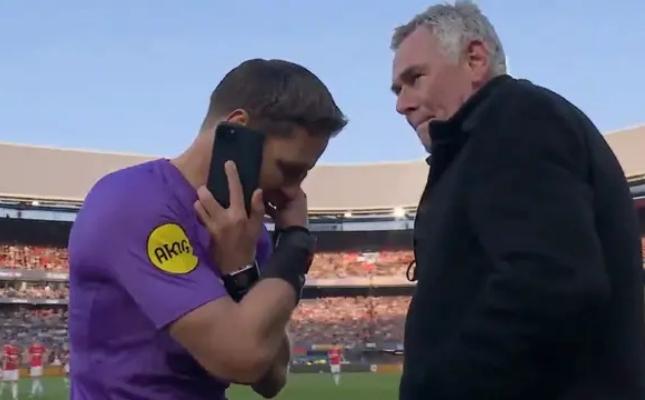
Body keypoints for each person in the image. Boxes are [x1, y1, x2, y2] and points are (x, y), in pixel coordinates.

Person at [390, 2, 644, 399]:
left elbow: (550, 283)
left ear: (475, 60)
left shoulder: (517, 118)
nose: (401, 104)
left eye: (415, 78)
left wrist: (438, 389)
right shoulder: (485, 137)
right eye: (398, 89)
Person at [68, 58, 347, 399]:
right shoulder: (132, 202)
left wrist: (241, 271)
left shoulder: (244, 230)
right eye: (288, 170)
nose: (294, 193)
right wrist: (295, 243)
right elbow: (243, 358)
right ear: (238, 129)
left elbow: (272, 376)